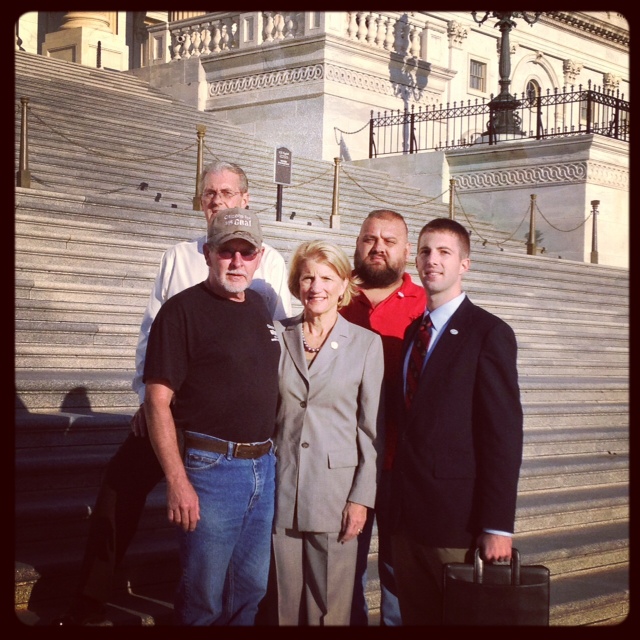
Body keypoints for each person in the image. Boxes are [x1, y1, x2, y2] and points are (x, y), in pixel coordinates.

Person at [53, 161, 291, 626]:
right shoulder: (179, 255)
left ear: (245, 198)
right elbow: (150, 330)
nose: (217, 200)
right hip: (172, 405)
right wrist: (146, 394)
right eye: (209, 194)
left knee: (251, 551)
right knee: (120, 486)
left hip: (227, 419)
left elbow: (274, 336)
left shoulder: (269, 263)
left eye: (226, 193)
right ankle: (88, 602)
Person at [144, 207, 280, 625]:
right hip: (211, 470)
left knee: (249, 592)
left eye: (246, 252)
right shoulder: (182, 312)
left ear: (258, 257)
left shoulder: (261, 306)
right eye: (227, 252)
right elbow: (156, 401)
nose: (236, 262)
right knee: (203, 598)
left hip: (264, 467)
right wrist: (177, 480)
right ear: (207, 253)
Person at [390, 218, 524, 625]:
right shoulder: (414, 332)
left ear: (464, 264)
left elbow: (503, 436)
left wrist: (498, 524)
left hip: (457, 524)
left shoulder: (489, 333)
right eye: (426, 251)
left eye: (445, 252)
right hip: (408, 523)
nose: (433, 260)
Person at [271, 240, 385, 626]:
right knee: (283, 605)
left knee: (329, 611)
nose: (315, 286)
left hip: (335, 495)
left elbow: (370, 431)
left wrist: (361, 498)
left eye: (325, 277)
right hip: (281, 486)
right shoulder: (277, 335)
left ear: (343, 285)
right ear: (295, 283)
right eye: (307, 277)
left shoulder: (367, 344)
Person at [340, 209, 426, 626]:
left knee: (397, 573)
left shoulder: (426, 305)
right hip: (341, 460)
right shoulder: (332, 296)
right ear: (356, 244)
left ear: (407, 251)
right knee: (342, 569)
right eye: (369, 239)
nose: (378, 248)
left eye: (389, 241)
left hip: (400, 464)